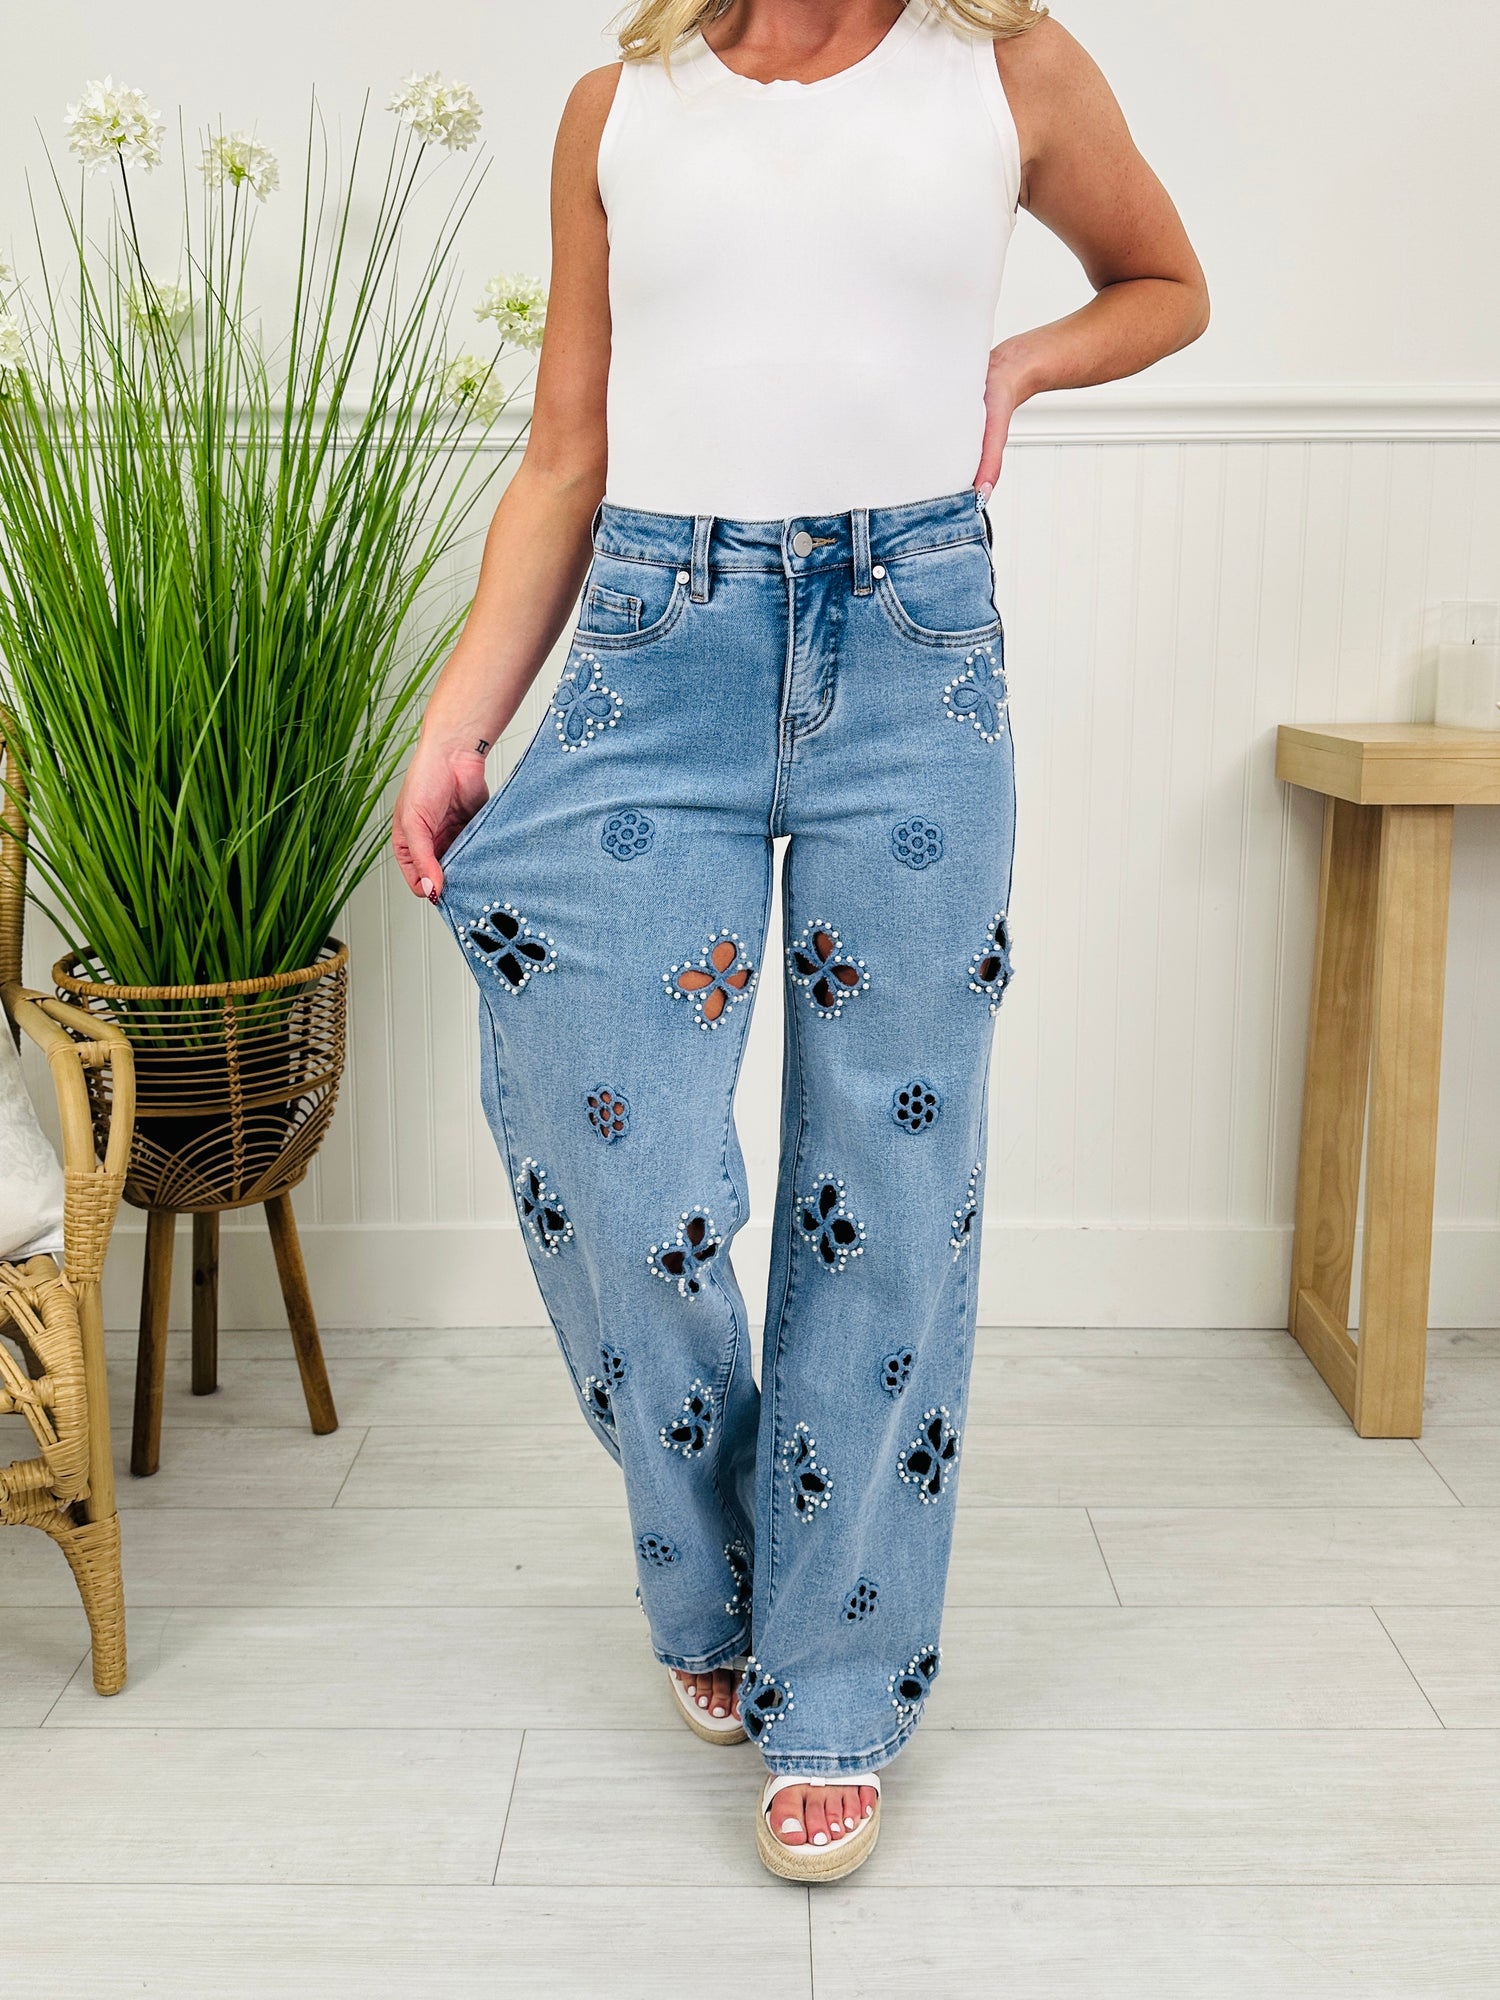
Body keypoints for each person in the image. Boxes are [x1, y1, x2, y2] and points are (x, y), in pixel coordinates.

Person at [392, 0, 1208, 1882]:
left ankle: (832, 1683)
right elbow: (564, 453)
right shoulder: (618, 108)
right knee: (621, 1158)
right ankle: (725, 1571)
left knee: (889, 1180)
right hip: (653, 642)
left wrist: (1019, 364)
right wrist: (458, 722)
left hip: (913, 647)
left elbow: (1169, 284)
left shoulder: (1010, 69)